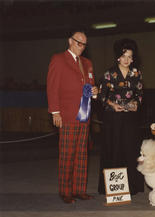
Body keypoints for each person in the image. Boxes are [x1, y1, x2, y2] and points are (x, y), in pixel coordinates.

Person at [47, 31, 98, 204]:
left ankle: (79, 190)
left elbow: (90, 85)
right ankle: (65, 191)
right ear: (70, 41)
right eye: (78, 43)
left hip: (84, 116)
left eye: (84, 44)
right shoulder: (58, 59)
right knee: (67, 154)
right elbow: (52, 87)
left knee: (82, 155)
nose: (81, 47)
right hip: (67, 115)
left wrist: (95, 92)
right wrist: (55, 112)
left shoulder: (87, 63)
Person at [97, 38, 144, 195]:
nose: (127, 60)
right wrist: (112, 105)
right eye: (124, 56)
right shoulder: (109, 74)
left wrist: (136, 103)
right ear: (118, 57)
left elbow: (139, 93)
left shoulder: (136, 73)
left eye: (130, 57)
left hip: (130, 118)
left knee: (130, 150)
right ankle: (114, 189)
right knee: (114, 150)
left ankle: (132, 187)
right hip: (113, 119)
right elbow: (102, 96)